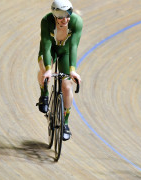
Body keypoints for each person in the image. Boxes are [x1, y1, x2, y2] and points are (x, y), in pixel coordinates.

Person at [36, 0, 82, 141]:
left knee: (66, 86)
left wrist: (72, 70)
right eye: (60, 16)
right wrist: (49, 70)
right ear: (54, 15)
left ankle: (65, 123)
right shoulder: (47, 21)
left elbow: (73, 46)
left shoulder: (76, 22)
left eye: (67, 14)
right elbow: (46, 44)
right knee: (44, 68)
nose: (65, 19)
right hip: (49, 50)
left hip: (66, 52)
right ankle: (44, 93)